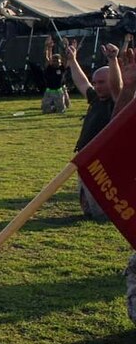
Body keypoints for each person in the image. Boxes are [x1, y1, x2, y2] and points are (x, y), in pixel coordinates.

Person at [68, 43, 120, 220]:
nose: (97, 86)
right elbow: (82, 81)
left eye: (101, 82)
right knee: (87, 200)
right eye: (96, 82)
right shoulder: (95, 99)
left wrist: (113, 61)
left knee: (101, 206)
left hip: (103, 160)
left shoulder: (116, 102)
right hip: (85, 157)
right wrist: (72, 60)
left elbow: (117, 86)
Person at [41, 37, 69, 113]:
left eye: (57, 60)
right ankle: (52, 107)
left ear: (60, 61)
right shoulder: (49, 68)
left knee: (61, 111)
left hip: (59, 91)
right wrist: (47, 47)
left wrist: (65, 47)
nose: (55, 62)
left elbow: (65, 58)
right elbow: (46, 57)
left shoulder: (62, 68)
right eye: (53, 60)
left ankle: (57, 107)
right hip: (49, 91)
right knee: (45, 111)